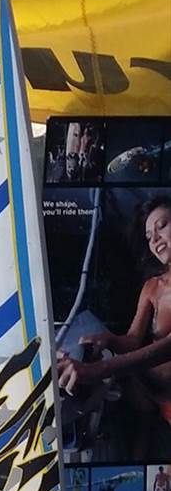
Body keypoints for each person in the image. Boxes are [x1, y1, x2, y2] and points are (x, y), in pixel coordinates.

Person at [57, 197, 171, 461]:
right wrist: (108, 340)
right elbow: (133, 339)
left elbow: (166, 349)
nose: (154, 239)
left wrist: (98, 369)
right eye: (148, 236)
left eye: (162, 226)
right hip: (145, 390)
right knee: (136, 449)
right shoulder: (152, 287)